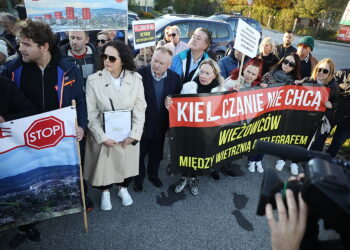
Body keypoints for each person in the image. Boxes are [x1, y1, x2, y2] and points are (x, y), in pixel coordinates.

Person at [2, 19, 88, 245]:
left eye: (27, 44)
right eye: (20, 43)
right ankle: (27, 224)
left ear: (44, 46)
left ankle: (71, 201)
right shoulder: (11, 70)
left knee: (57, 179)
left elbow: (80, 101)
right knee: (27, 183)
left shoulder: (68, 68)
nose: (20, 49)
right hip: (23, 142)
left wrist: (82, 126)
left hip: (58, 139)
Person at [84, 40, 147, 210]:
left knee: (126, 166)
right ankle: (105, 192)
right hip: (106, 134)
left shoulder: (136, 79)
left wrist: (134, 134)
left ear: (123, 60)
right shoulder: (93, 80)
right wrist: (101, 137)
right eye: (104, 56)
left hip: (128, 134)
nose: (107, 61)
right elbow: (91, 114)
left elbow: (140, 109)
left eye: (112, 58)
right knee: (104, 168)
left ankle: (123, 188)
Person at [166, 58, 226, 196]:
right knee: (186, 153)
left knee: (199, 155)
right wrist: (169, 104)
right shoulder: (188, 86)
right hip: (188, 129)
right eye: (201, 72)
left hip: (207, 132)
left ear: (215, 75)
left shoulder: (221, 90)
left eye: (207, 73)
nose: (203, 76)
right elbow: (177, 109)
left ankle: (193, 178)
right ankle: (183, 178)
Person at [134, 46, 182, 192]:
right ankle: (138, 179)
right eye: (155, 61)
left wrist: (172, 104)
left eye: (161, 63)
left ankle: (153, 176)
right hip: (142, 124)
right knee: (140, 154)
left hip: (161, 125)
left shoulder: (175, 78)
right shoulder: (139, 75)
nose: (156, 65)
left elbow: (178, 101)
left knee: (156, 153)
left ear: (169, 64)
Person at [260, 53, 301, 175]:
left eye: (291, 64)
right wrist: (263, 86)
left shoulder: (295, 82)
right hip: (266, 112)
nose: (287, 65)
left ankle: (283, 158)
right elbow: (257, 92)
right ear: (282, 61)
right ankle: (255, 159)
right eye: (285, 62)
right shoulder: (269, 74)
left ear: (295, 67)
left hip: (282, 114)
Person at [225, 58, 265, 173]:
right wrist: (232, 91)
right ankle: (215, 170)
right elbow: (219, 97)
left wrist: (263, 88)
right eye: (248, 71)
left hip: (243, 122)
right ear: (244, 69)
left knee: (233, 146)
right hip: (229, 120)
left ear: (257, 75)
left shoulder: (256, 85)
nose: (249, 75)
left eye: (253, 73)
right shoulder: (233, 80)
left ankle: (227, 166)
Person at [297, 58, 339, 153]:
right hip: (305, 116)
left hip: (320, 118)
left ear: (330, 73)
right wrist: (296, 84)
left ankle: (309, 158)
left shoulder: (333, 88)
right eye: (319, 69)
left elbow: (336, 103)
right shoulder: (308, 80)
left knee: (315, 140)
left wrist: (331, 105)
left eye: (325, 71)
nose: (321, 72)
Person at [326, 69, 350, 157]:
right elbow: (332, 88)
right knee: (321, 136)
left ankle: (328, 160)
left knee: (338, 142)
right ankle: (310, 156)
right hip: (334, 112)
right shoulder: (342, 73)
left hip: (348, 120)